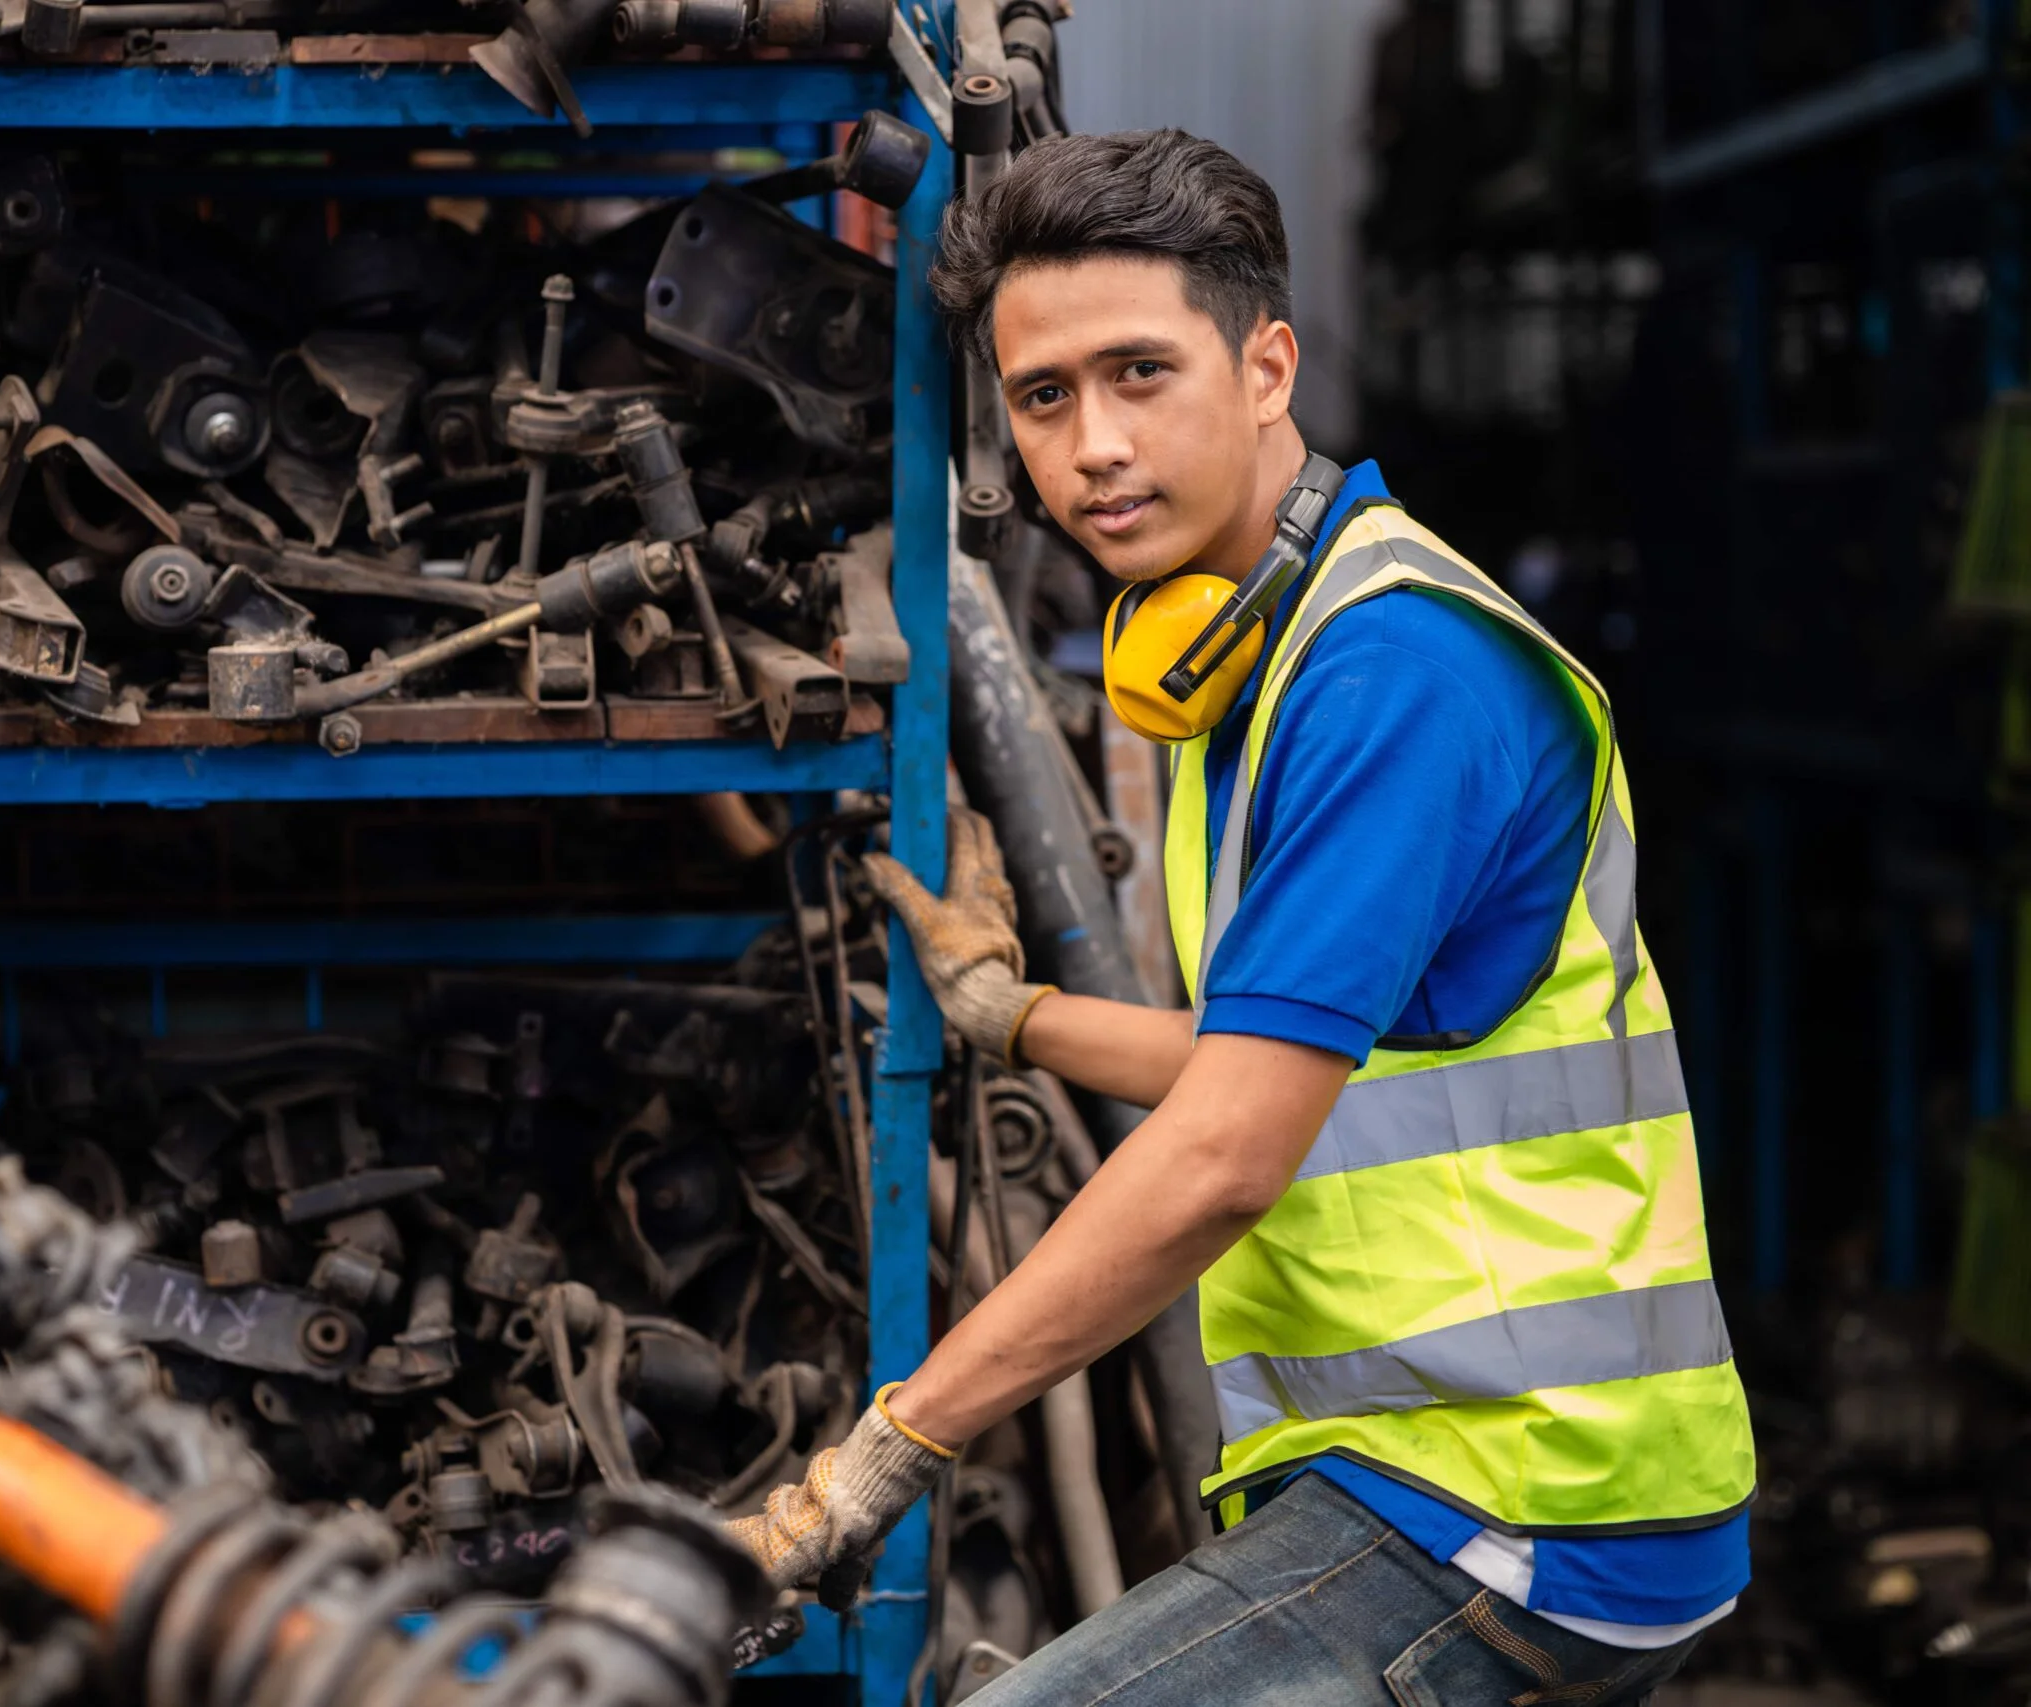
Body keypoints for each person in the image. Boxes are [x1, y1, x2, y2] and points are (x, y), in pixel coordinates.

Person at [725, 129, 1754, 1705]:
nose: (1091, 446)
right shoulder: (1261, 653)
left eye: (1142, 372)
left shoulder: (1388, 671)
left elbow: (1222, 1155)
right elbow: (1271, 1054)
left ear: (1267, 364)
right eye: (1044, 395)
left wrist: (889, 1445)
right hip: (1448, 1471)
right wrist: (1015, 1014)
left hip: (1515, 1504)